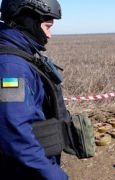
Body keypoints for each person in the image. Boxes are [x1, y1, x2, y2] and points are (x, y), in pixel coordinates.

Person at [0, 0, 69, 179]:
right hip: (24, 171)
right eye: (47, 26)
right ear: (28, 21)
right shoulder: (11, 67)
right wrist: (53, 175)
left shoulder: (21, 57)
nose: (49, 35)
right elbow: (14, 135)